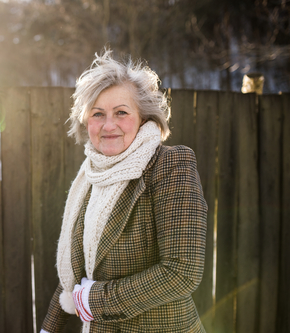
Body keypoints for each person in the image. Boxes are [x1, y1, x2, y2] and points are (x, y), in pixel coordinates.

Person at [40, 49, 208, 333]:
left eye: (121, 112)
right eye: (98, 114)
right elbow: (77, 271)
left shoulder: (169, 164)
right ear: (86, 121)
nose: (109, 125)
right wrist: (49, 328)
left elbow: (181, 272)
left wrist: (96, 300)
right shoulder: (91, 176)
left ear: (143, 117)